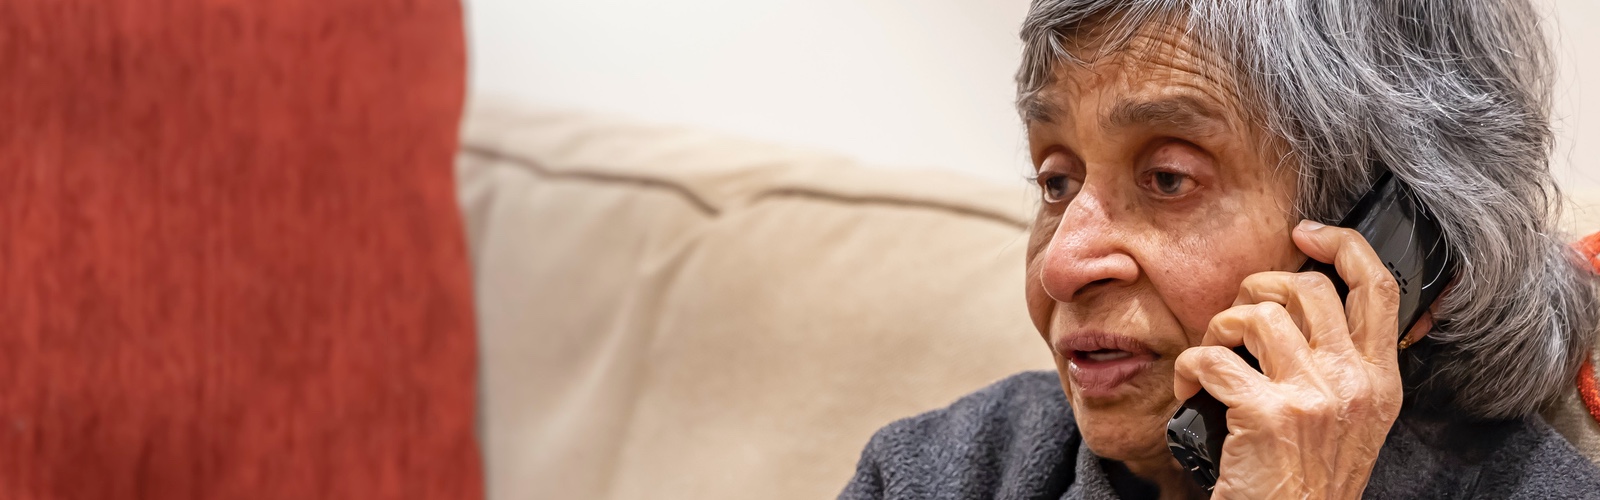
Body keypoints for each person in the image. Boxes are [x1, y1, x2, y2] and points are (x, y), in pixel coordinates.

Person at [840, 1, 1600, 498]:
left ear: (1396, 252)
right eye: (1055, 181)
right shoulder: (941, 471)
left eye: (1168, 178)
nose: (1062, 264)